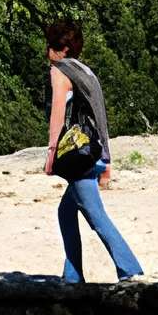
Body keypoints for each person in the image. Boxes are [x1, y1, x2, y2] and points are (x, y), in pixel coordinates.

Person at [41, 19, 144, 283]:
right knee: (66, 212)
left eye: (49, 46)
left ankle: (130, 270)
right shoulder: (85, 71)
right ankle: (72, 276)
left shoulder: (60, 70)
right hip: (95, 152)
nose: (47, 53)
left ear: (60, 49)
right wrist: (107, 159)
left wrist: (51, 153)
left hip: (80, 156)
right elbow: (101, 115)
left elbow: (57, 115)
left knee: (96, 215)